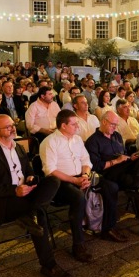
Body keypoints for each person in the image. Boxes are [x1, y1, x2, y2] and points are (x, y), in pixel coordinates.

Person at [0, 114, 69, 277]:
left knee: (53, 181)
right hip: (4, 202)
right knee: (40, 217)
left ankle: (30, 213)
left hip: (26, 195)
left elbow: (28, 170)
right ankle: (49, 265)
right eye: (8, 127)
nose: (13, 129)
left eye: (12, 125)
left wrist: (31, 177)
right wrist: (14, 191)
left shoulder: (18, 147)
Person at [40, 110, 125, 262]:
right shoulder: (50, 142)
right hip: (61, 183)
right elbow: (50, 171)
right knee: (78, 197)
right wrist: (75, 181)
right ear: (63, 125)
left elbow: (86, 161)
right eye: (74, 124)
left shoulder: (77, 140)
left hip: (82, 177)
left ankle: (108, 228)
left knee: (110, 186)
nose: (77, 127)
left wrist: (85, 176)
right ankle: (78, 244)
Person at [85, 111, 139, 241]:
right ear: (104, 122)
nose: (115, 127)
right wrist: (116, 161)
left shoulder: (117, 136)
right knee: (120, 187)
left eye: (116, 125)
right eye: (113, 124)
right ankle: (109, 229)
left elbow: (124, 155)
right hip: (108, 174)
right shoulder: (93, 141)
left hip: (124, 171)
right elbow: (96, 167)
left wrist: (130, 158)